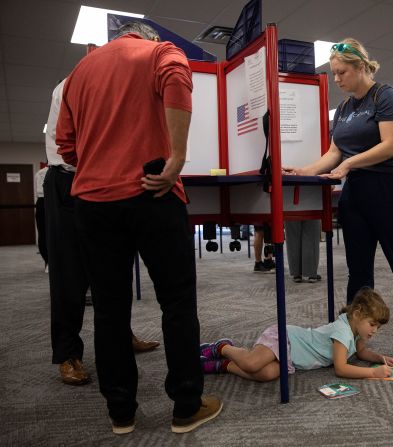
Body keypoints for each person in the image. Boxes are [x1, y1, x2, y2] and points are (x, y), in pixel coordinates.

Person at [56, 22, 220, 434]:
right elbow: (178, 81)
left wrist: (101, 160)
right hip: (153, 192)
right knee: (177, 303)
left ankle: (121, 413)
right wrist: (177, 157)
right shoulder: (159, 52)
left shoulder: (80, 73)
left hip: (93, 202)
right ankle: (186, 406)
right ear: (145, 36)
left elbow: (66, 145)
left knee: (110, 311)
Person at [283, 38, 393, 362]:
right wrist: (305, 171)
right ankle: (353, 339)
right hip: (358, 193)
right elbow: (335, 153)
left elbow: (391, 146)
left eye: (341, 73)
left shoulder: (387, 97)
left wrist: (349, 163)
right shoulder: (346, 108)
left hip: (390, 188)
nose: (337, 80)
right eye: (333, 74)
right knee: (358, 270)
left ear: (361, 67)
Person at [45, 79, 158, 389]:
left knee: (114, 266)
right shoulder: (72, 85)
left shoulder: (118, 82)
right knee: (69, 274)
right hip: (69, 179)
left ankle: (122, 334)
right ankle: (68, 354)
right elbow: (72, 147)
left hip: (106, 178)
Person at [199, 288, 393, 380]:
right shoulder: (342, 330)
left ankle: (223, 365)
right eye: (372, 324)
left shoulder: (356, 330)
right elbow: (341, 369)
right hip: (286, 338)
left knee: (266, 374)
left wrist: (382, 359)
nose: (374, 331)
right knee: (252, 364)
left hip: (292, 359)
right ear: (357, 314)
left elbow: (361, 353)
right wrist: (372, 373)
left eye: (378, 327)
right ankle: (222, 347)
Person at [34, 165, 48, 270]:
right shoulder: (41, 173)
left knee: (44, 233)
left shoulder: (39, 173)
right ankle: (48, 261)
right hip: (45, 200)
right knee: (43, 233)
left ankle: (49, 262)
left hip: (43, 201)